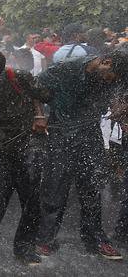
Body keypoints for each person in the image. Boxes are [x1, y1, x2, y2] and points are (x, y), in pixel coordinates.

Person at [34, 51, 128, 261]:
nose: (108, 81)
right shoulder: (67, 67)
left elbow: (118, 97)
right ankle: (44, 239)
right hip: (61, 134)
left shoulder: (117, 74)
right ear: (106, 62)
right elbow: (35, 88)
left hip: (90, 133)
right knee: (55, 188)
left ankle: (94, 238)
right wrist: (39, 115)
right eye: (109, 76)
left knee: (91, 187)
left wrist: (121, 108)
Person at [0, 50, 46, 265]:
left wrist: (39, 114)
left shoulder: (19, 76)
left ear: (2, 70)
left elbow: (40, 94)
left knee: (31, 199)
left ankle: (24, 247)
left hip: (25, 144)